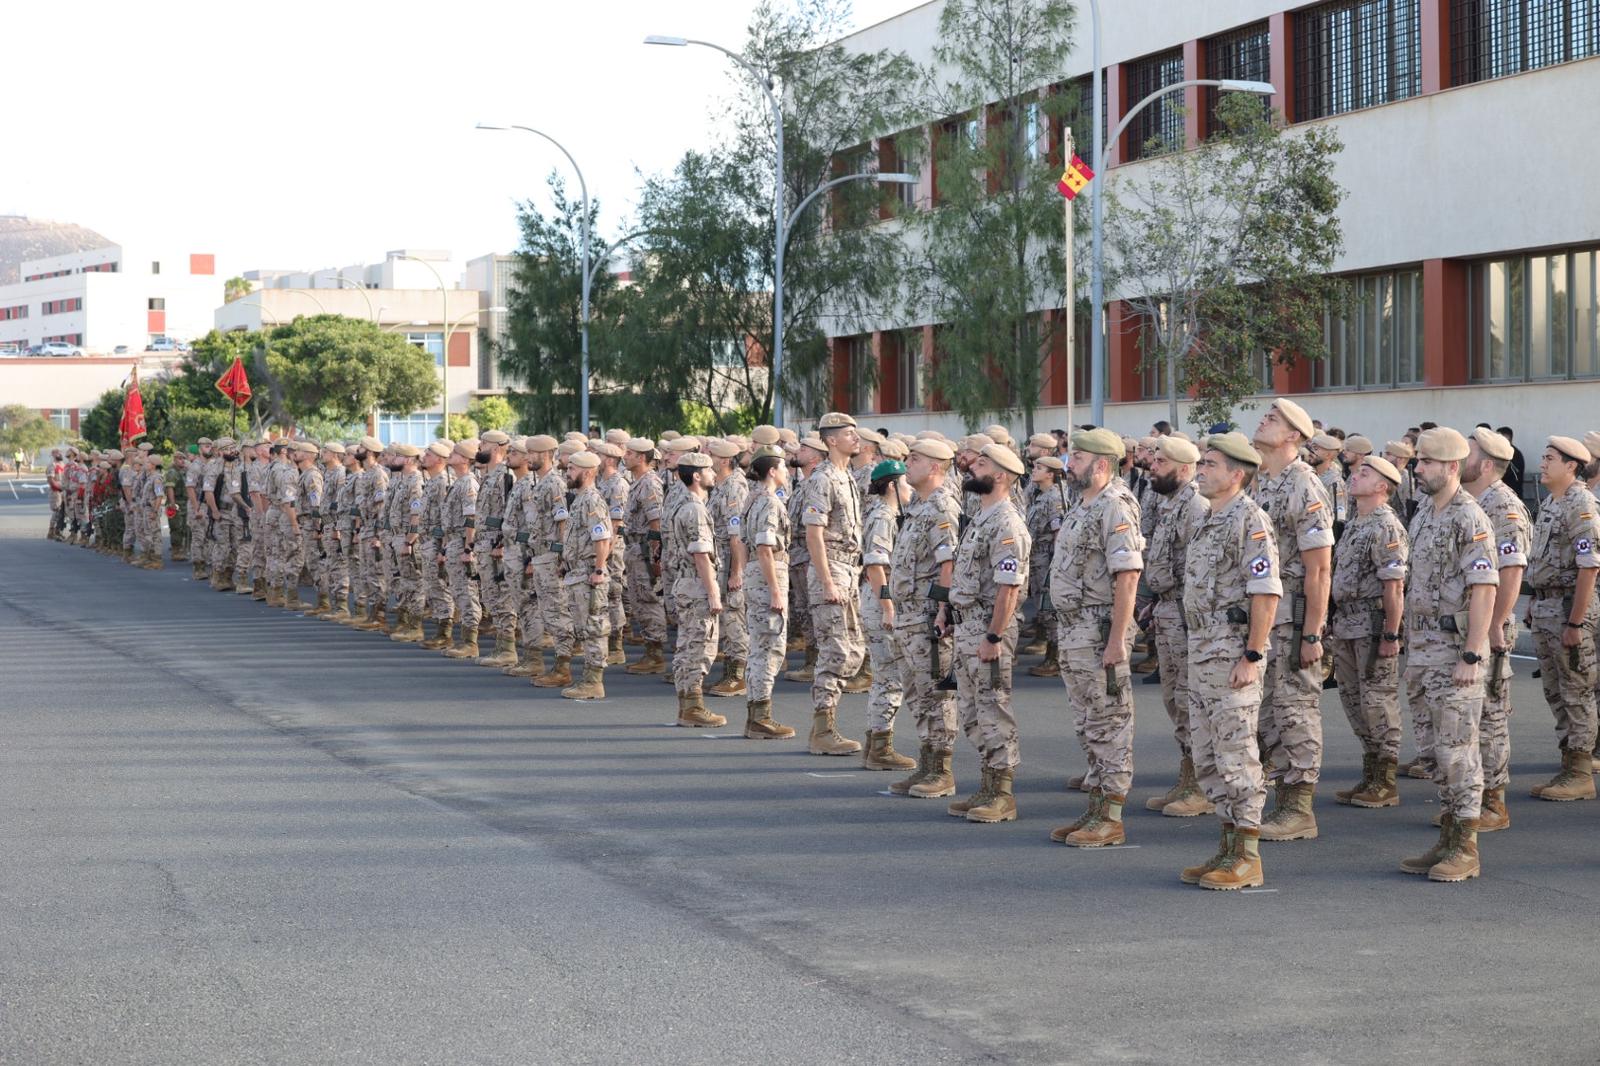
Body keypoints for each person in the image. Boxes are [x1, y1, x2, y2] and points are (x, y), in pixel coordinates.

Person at [1179, 432, 1279, 891]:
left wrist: (1252, 655)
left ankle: (1248, 855)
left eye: (1211, 464)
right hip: (1201, 651)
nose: (1201, 470)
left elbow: (1265, 593)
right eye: (1200, 462)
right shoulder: (1207, 519)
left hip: (1231, 652)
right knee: (1207, 756)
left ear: (1236, 474)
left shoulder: (1250, 521)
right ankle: (1226, 844)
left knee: (1237, 755)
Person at [1398, 427, 1498, 882]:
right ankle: (1447, 835)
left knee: (1459, 751)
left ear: (1452, 467)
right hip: (1421, 651)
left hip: (1453, 652)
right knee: (1433, 752)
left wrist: (1473, 655)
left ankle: (1466, 846)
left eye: (1426, 463)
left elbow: (1484, 589)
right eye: (1418, 461)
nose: (1417, 469)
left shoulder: (1469, 518)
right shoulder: (1422, 514)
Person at [1046, 428, 1144, 847]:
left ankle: (1112, 816)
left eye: (1078, 458)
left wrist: (1117, 639)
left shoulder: (1115, 506)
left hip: (1099, 627)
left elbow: (1128, 576)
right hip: (1073, 629)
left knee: (1110, 723)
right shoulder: (1082, 504)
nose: (1070, 464)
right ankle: (1096, 806)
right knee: (1088, 722)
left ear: (1101, 464)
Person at [1249, 398, 1334, 842]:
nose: (1263, 420)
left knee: (1295, 710)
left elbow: (1320, 568)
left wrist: (1313, 633)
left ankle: (1299, 807)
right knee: (1268, 712)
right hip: (1267, 618)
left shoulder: (1304, 486)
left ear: (1293, 437)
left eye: (1274, 419)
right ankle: (1280, 797)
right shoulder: (1264, 481)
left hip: (1293, 617)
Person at [945, 442, 1031, 824]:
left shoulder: (1007, 522)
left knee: (993, 709)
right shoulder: (979, 516)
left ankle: (1003, 793)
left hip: (986, 629)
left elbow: (1008, 587)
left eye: (980, 464)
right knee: (971, 711)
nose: (970, 469)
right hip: (965, 625)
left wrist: (994, 637)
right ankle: (986, 783)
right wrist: (946, 610)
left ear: (999, 475)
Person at [1327, 456, 1408, 808]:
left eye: (1364, 473)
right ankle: (1370, 771)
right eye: (1356, 471)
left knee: (1378, 701)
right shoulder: (1355, 523)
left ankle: (1385, 780)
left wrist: (1391, 634)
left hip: (1372, 625)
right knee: (1353, 699)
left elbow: (1394, 587)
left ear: (1382, 487)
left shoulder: (1385, 525)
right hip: (1347, 622)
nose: (1353, 477)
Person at [1460, 427, 1530, 829]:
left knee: (1490, 716)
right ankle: (1473, 797)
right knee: (1471, 715)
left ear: (1486, 463)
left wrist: (1494, 625)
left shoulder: (1503, 506)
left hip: (1488, 628)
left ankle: (1493, 802)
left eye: (1468, 451)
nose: (1461, 456)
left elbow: (1512, 570)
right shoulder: (1473, 501)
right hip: (1469, 625)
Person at [1141, 434, 1213, 818]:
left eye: (1162, 462)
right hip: (1168, 611)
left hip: (1187, 616)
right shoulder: (1172, 504)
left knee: (1191, 699)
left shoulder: (1195, 506)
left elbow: (1198, 571)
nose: (1153, 466)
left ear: (1184, 469)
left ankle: (1201, 783)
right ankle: (1187, 775)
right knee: (1174, 698)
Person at [1525, 436, 1600, 801]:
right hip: (1546, 609)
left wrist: (1575, 622)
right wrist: (1533, 600)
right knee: (1556, 691)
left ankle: (1581, 774)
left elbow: (1590, 567)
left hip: (1569, 612)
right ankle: (1567, 765)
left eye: (1549, 457)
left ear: (1571, 465)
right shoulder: (1552, 502)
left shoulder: (1581, 503)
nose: (1542, 463)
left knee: (1577, 691)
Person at [802, 413, 869, 756]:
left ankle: (826, 722)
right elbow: (813, 532)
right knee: (836, 649)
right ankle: (823, 729)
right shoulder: (823, 478)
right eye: (848, 434)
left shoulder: (848, 477)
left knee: (855, 649)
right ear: (831, 440)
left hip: (849, 568)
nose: (855, 439)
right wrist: (827, 580)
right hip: (831, 568)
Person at [732, 445, 797, 739]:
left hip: (757, 574)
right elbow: (765, 548)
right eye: (783, 467)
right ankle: (760, 716)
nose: (787, 472)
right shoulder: (769, 503)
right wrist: (774, 591)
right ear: (772, 471)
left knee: (761, 645)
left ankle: (757, 715)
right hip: (769, 573)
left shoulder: (752, 500)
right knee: (770, 647)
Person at [859, 448, 914, 769]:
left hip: (880, 600)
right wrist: (888, 606)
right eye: (905, 483)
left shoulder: (889, 515)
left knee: (884, 676)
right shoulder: (883, 516)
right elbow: (876, 566)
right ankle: (880, 748)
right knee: (889, 677)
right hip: (882, 601)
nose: (909, 490)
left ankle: (875, 744)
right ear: (892, 486)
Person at [667, 451, 726, 728]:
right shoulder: (695, 510)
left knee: (688, 644)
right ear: (696, 476)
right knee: (700, 646)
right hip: (696, 583)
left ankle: (687, 704)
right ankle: (693, 706)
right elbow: (701, 555)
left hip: (686, 583)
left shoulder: (689, 505)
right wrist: (713, 591)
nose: (714, 474)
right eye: (709, 470)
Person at [557, 450, 613, 700]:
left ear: (588, 472)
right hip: (577, 573)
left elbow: (602, 538)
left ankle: (594, 682)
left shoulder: (592, 499)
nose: (568, 473)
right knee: (584, 626)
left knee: (594, 628)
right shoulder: (579, 499)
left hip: (589, 574)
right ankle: (588, 677)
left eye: (572, 469)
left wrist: (599, 570)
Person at [706, 438, 751, 697]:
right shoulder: (721, 486)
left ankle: (738, 676)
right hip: (720, 559)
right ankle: (729, 671)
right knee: (726, 617)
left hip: (729, 561)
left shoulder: (734, 487)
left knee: (734, 617)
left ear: (724, 461)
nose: (707, 459)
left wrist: (737, 572)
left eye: (711, 455)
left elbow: (737, 536)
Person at [622, 438, 668, 674]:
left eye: (629, 453)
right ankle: (650, 649)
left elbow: (656, 523)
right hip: (634, 549)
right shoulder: (637, 482)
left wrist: (655, 558)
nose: (625, 456)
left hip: (644, 551)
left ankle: (656, 652)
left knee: (649, 599)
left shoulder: (649, 483)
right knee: (639, 599)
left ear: (641, 457)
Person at [1023, 454, 1066, 675]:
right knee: (1043, 607)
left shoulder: (1054, 498)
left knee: (1050, 609)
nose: (1034, 470)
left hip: (1047, 561)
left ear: (1051, 474)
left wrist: (1055, 566)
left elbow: (1058, 532)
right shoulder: (1040, 495)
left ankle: (1055, 658)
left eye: (1040, 467)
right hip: (1037, 560)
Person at [441, 439, 484, 658]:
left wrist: (469, 548)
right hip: (454, 541)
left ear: (465, 459)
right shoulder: (459, 482)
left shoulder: (468, 483)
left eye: (456, 452)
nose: (451, 454)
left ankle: (471, 642)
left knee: (467, 592)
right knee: (458, 591)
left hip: (462, 542)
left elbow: (471, 518)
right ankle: (464, 638)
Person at [1497, 426, 1527, 501]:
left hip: (1511, 498)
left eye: (1498, 438)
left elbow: (1507, 475)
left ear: (1507, 438)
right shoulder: (1505, 453)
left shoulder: (1513, 454)